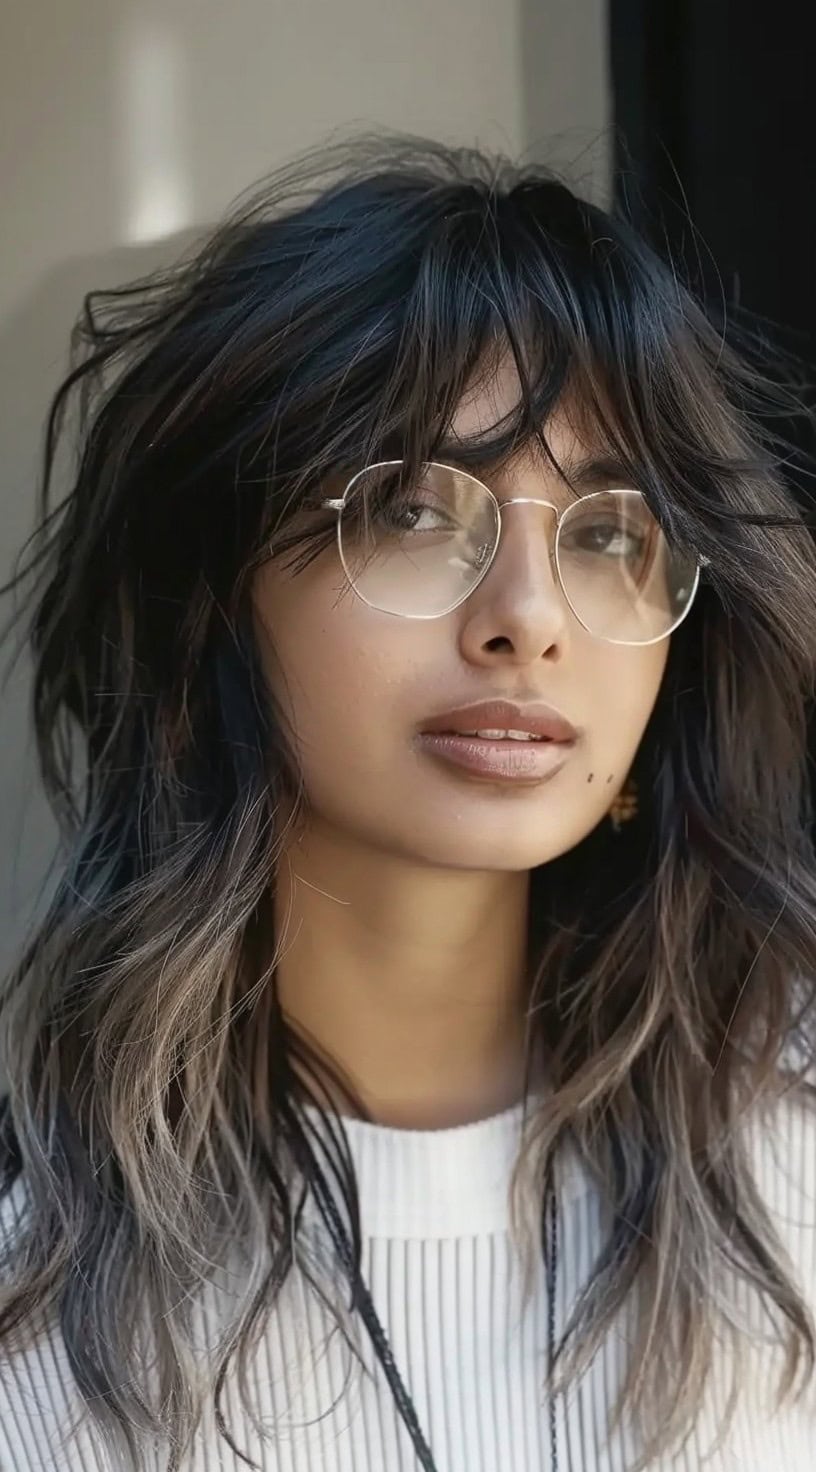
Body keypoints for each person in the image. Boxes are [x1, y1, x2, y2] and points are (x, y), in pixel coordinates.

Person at [1, 136, 815, 1472]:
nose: (530, 621)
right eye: (416, 514)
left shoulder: (789, 1189)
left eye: (611, 533)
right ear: (214, 596)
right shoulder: (40, 1324)